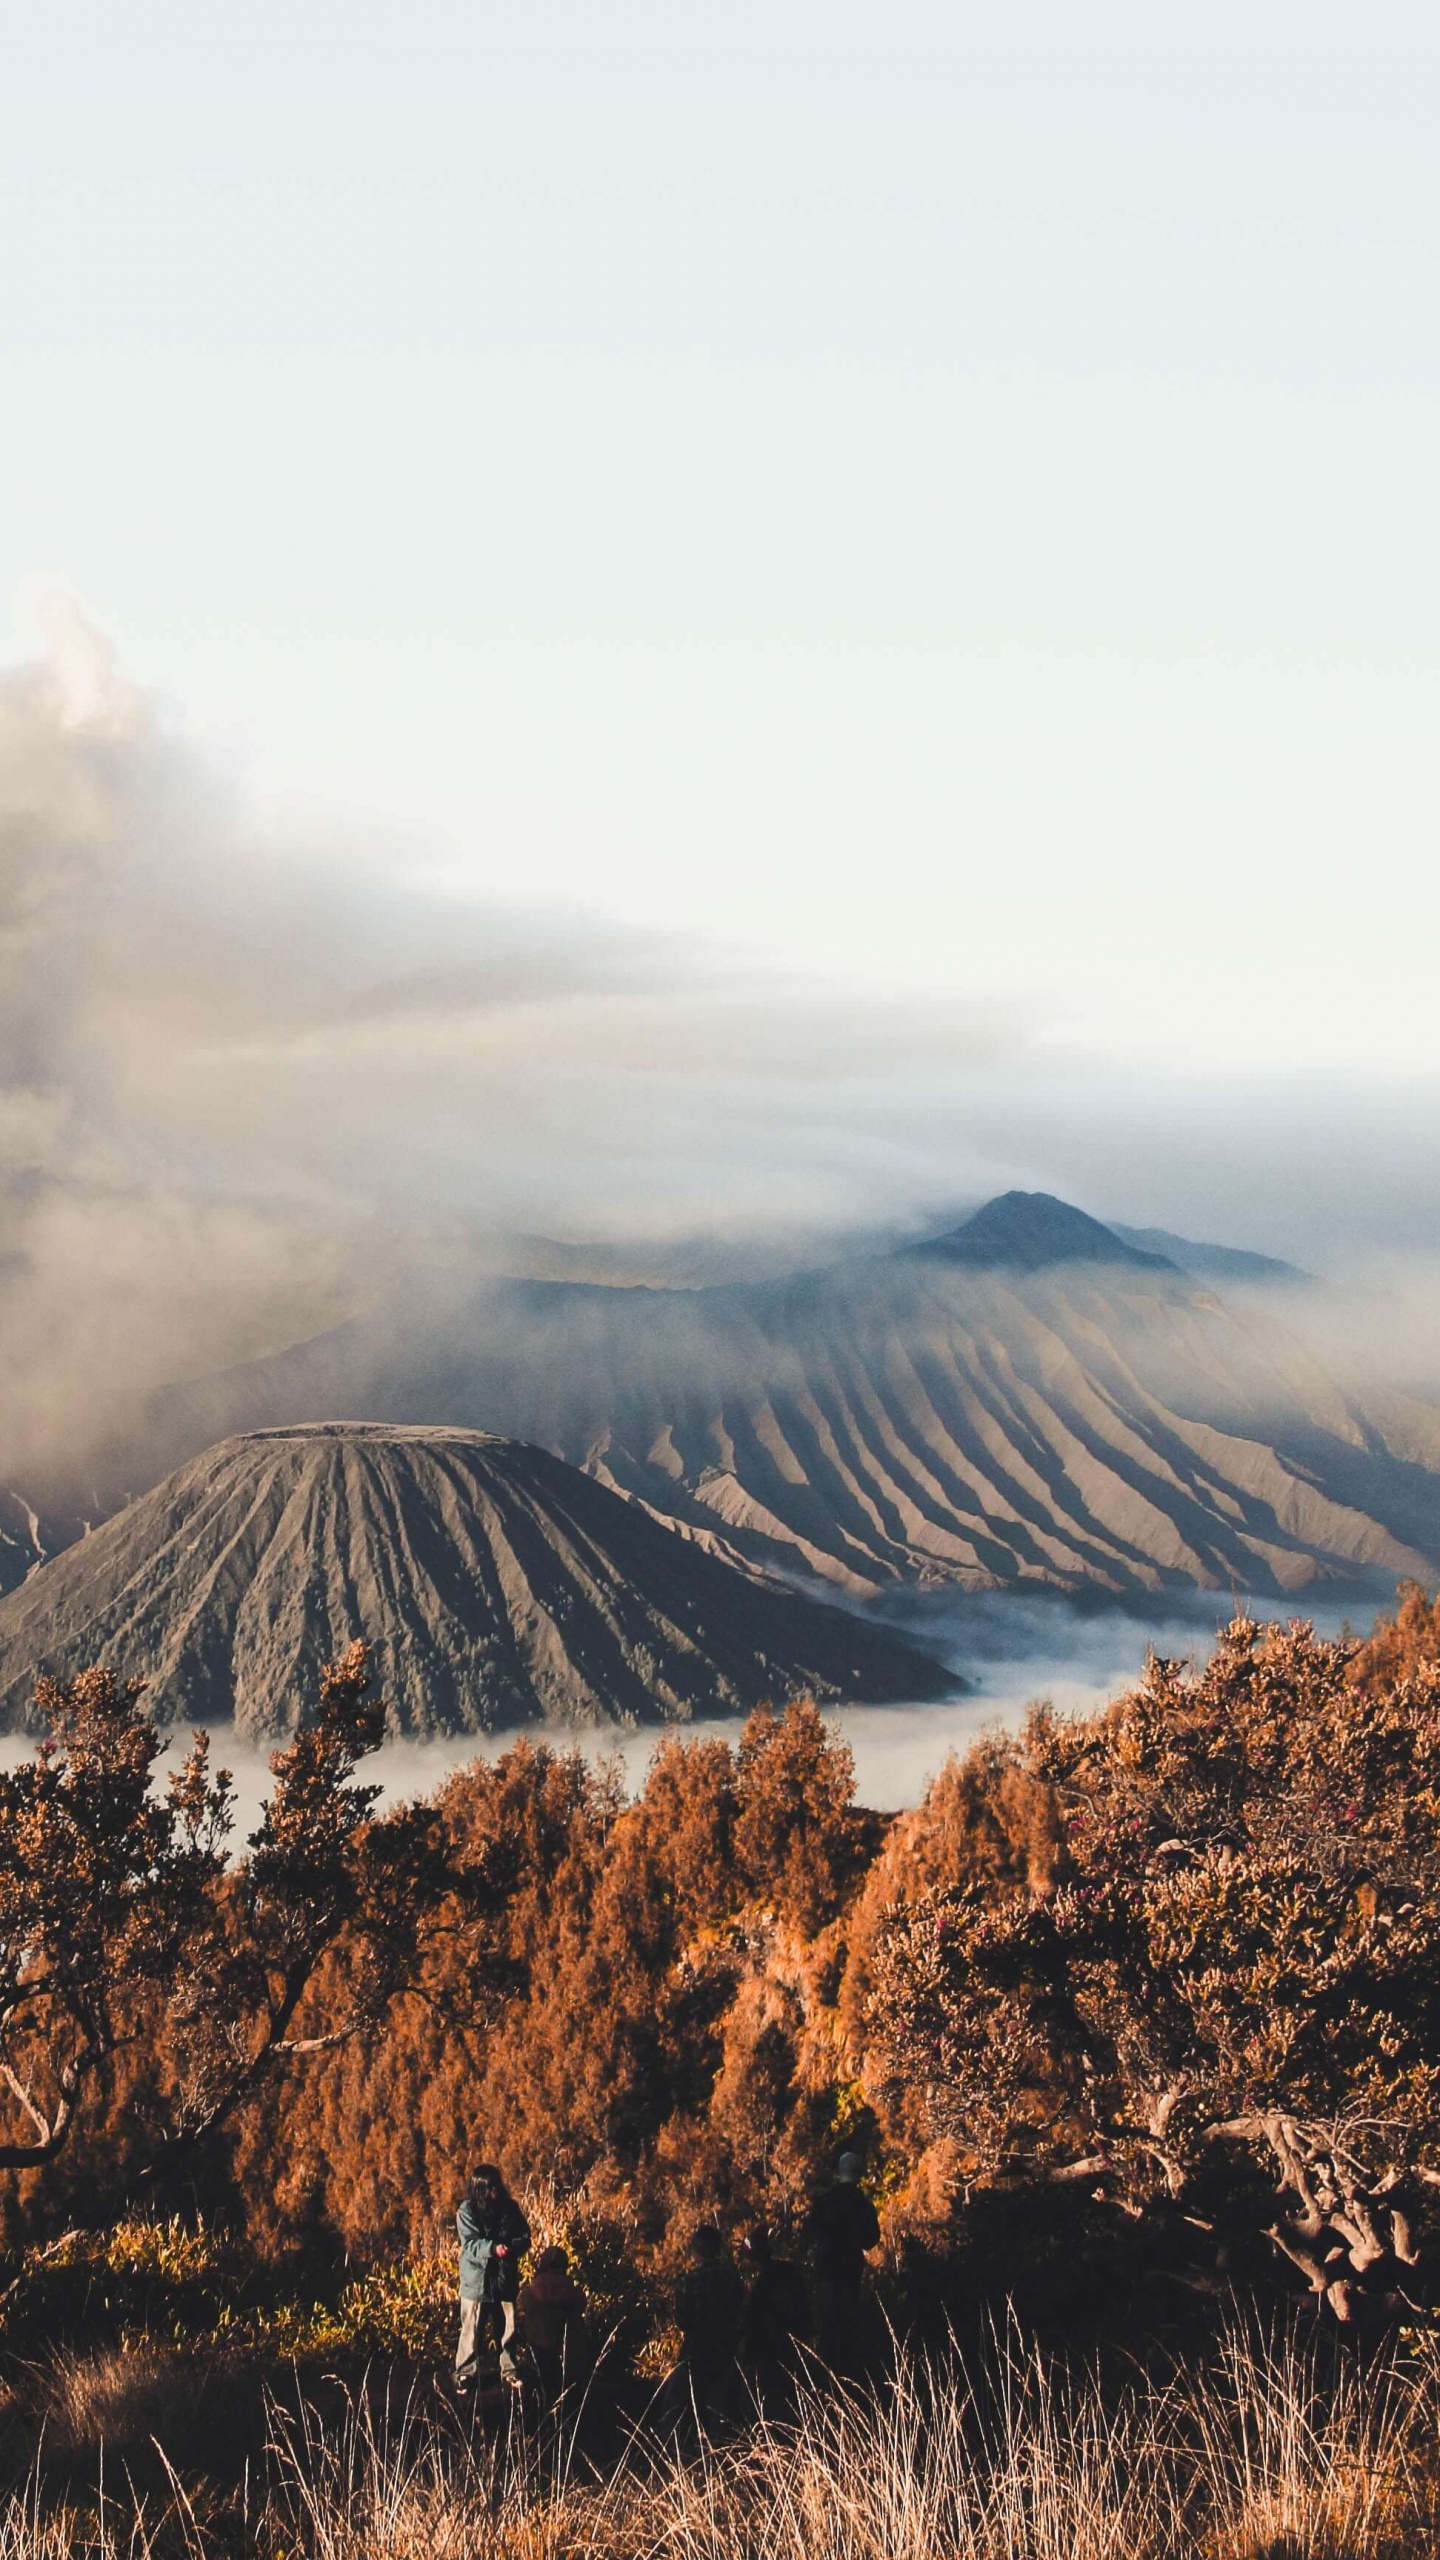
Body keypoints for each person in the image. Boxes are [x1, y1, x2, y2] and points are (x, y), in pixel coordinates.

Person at [455, 2162, 531, 2392]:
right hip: (477, 2281)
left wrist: (510, 2248)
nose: (494, 2191)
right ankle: (464, 2373)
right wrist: (493, 2249)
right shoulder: (467, 2211)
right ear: (479, 2189)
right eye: (489, 2187)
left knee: (508, 2328)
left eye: (496, 2185)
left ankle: (508, 2369)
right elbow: (469, 2244)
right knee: (471, 2330)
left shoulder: (510, 2208)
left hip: (503, 2278)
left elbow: (525, 2237)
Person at [806, 2151, 880, 2375]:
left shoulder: (824, 2201)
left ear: (839, 2171)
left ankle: (827, 2374)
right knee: (848, 2323)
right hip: (850, 2271)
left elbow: (811, 2232)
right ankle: (848, 2374)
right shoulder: (863, 2204)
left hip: (827, 2269)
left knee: (829, 2322)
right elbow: (870, 2239)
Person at [669, 2223, 745, 2436]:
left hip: (696, 2349)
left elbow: (683, 2319)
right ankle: (721, 2450)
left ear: (696, 2249)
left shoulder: (688, 2280)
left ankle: (672, 2446)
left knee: (676, 2402)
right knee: (720, 2406)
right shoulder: (731, 2277)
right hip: (726, 2348)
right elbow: (741, 2309)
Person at [740, 2225, 808, 2413]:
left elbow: (755, 2318)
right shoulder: (788, 2271)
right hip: (791, 2348)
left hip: (767, 2352)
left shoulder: (764, 2283)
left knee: (765, 2402)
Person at [516, 2243, 588, 2403]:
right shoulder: (575, 2294)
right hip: (569, 2361)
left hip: (538, 2357)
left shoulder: (529, 2294)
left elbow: (522, 2315)